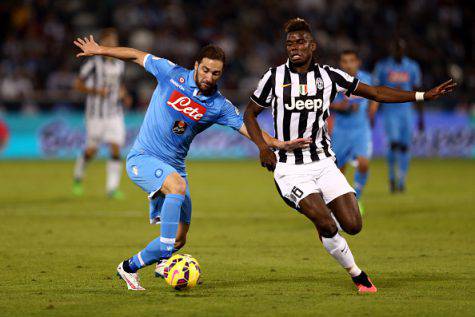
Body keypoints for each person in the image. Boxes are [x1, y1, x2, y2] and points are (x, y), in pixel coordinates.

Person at [73, 35, 311, 291]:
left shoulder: (218, 105)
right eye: (206, 70)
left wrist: (275, 143)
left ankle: (146, 263)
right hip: (143, 158)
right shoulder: (170, 73)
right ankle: (146, 261)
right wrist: (100, 50)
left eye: (216, 73)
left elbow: (246, 128)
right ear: (196, 65)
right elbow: (135, 55)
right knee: (175, 192)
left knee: (179, 239)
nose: (209, 76)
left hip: (176, 167)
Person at [244, 18, 455, 293]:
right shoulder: (273, 78)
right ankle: (357, 273)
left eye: (300, 42)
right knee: (326, 222)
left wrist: (422, 96)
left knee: (353, 225)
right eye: (290, 43)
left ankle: (326, 227)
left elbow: (376, 92)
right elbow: (249, 113)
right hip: (289, 169)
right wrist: (263, 147)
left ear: (313, 46)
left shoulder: (331, 76)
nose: (294, 47)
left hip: (323, 163)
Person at [72, 28, 131, 199]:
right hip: (95, 114)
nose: (113, 44)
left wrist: (125, 95)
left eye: (115, 41)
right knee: (92, 151)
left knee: (115, 147)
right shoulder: (92, 64)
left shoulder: (120, 64)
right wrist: (96, 91)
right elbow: (78, 85)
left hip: (114, 113)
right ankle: (78, 175)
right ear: (103, 44)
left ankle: (112, 188)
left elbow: (119, 85)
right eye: (110, 42)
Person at [330, 50, 378, 213]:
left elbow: (375, 96)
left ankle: (356, 198)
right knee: (338, 171)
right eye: (344, 61)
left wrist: (372, 110)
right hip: (341, 131)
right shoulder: (334, 80)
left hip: (361, 129)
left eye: (351, 61)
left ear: (358, 62)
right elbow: (325, 103)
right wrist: (340, 106)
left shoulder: (366, 79)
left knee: (364, 163)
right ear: (341, 64)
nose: (348, 64)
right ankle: (338, 202)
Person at [373, 39, 422, 192]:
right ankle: (392, 177)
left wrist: (421, 117)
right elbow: (375, 90)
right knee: (393, 144)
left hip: (407, 111)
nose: (398, 52)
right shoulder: (383, 66)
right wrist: (372, 111)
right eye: (396, 49)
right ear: (392, 50)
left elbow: (418, 91)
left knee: (405, 146)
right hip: (390, 111)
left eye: (400, 49)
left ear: (404, 50)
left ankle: (401, 180)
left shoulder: (412, 66)